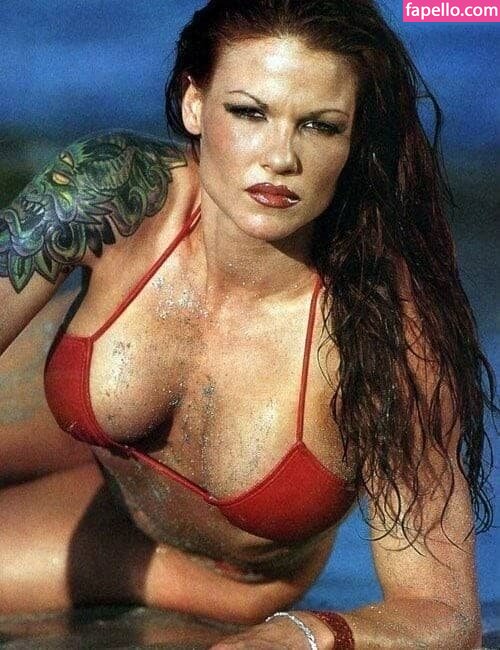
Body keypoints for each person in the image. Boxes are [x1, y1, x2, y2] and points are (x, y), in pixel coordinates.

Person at [0, 0, 494, 647]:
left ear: (354, 141)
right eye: (249, 113)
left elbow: (447, 616)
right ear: (194, 103)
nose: (280, 156)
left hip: (194, 566)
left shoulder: (387, 338)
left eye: (319, 125)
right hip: (58, 419)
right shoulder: (116, 192)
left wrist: (306, 635)